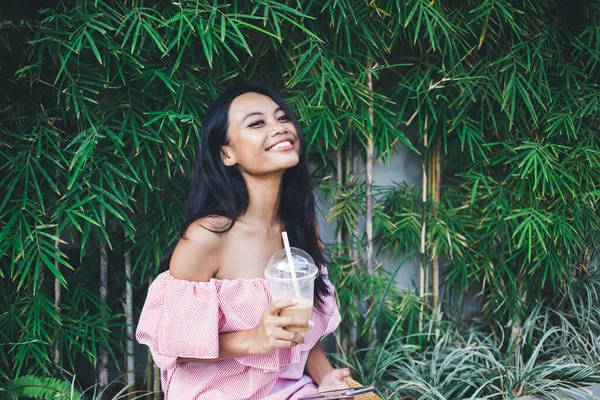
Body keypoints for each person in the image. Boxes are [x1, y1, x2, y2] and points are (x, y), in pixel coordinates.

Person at [136, 83, 352, 399]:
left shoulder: (301, 229)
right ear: (227, 153)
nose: (279, 128)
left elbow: (298, 332)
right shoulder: (207, 237)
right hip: (218, 391)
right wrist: (252, 338)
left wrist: (327, 378)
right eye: (257, 123)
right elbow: (173, 345)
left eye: (282, 118)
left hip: (289, 388)